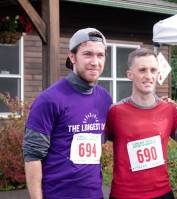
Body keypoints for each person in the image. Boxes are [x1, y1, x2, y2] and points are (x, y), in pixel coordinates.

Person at [23, 28, 112, 199]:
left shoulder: (104, 99)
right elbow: (32, 156)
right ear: (72, 57)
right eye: (88, 54)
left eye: (100, 55)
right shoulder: (50, 99)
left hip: (95, 195)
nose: (95, 62)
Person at [105, 48, 177, 199]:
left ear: (158, 74)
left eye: (153, 70)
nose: (148, 76)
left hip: (162, 193)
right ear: (130, 75)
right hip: (124, 194)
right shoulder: (115, 111)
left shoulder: (169, 109)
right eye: (142, 70)